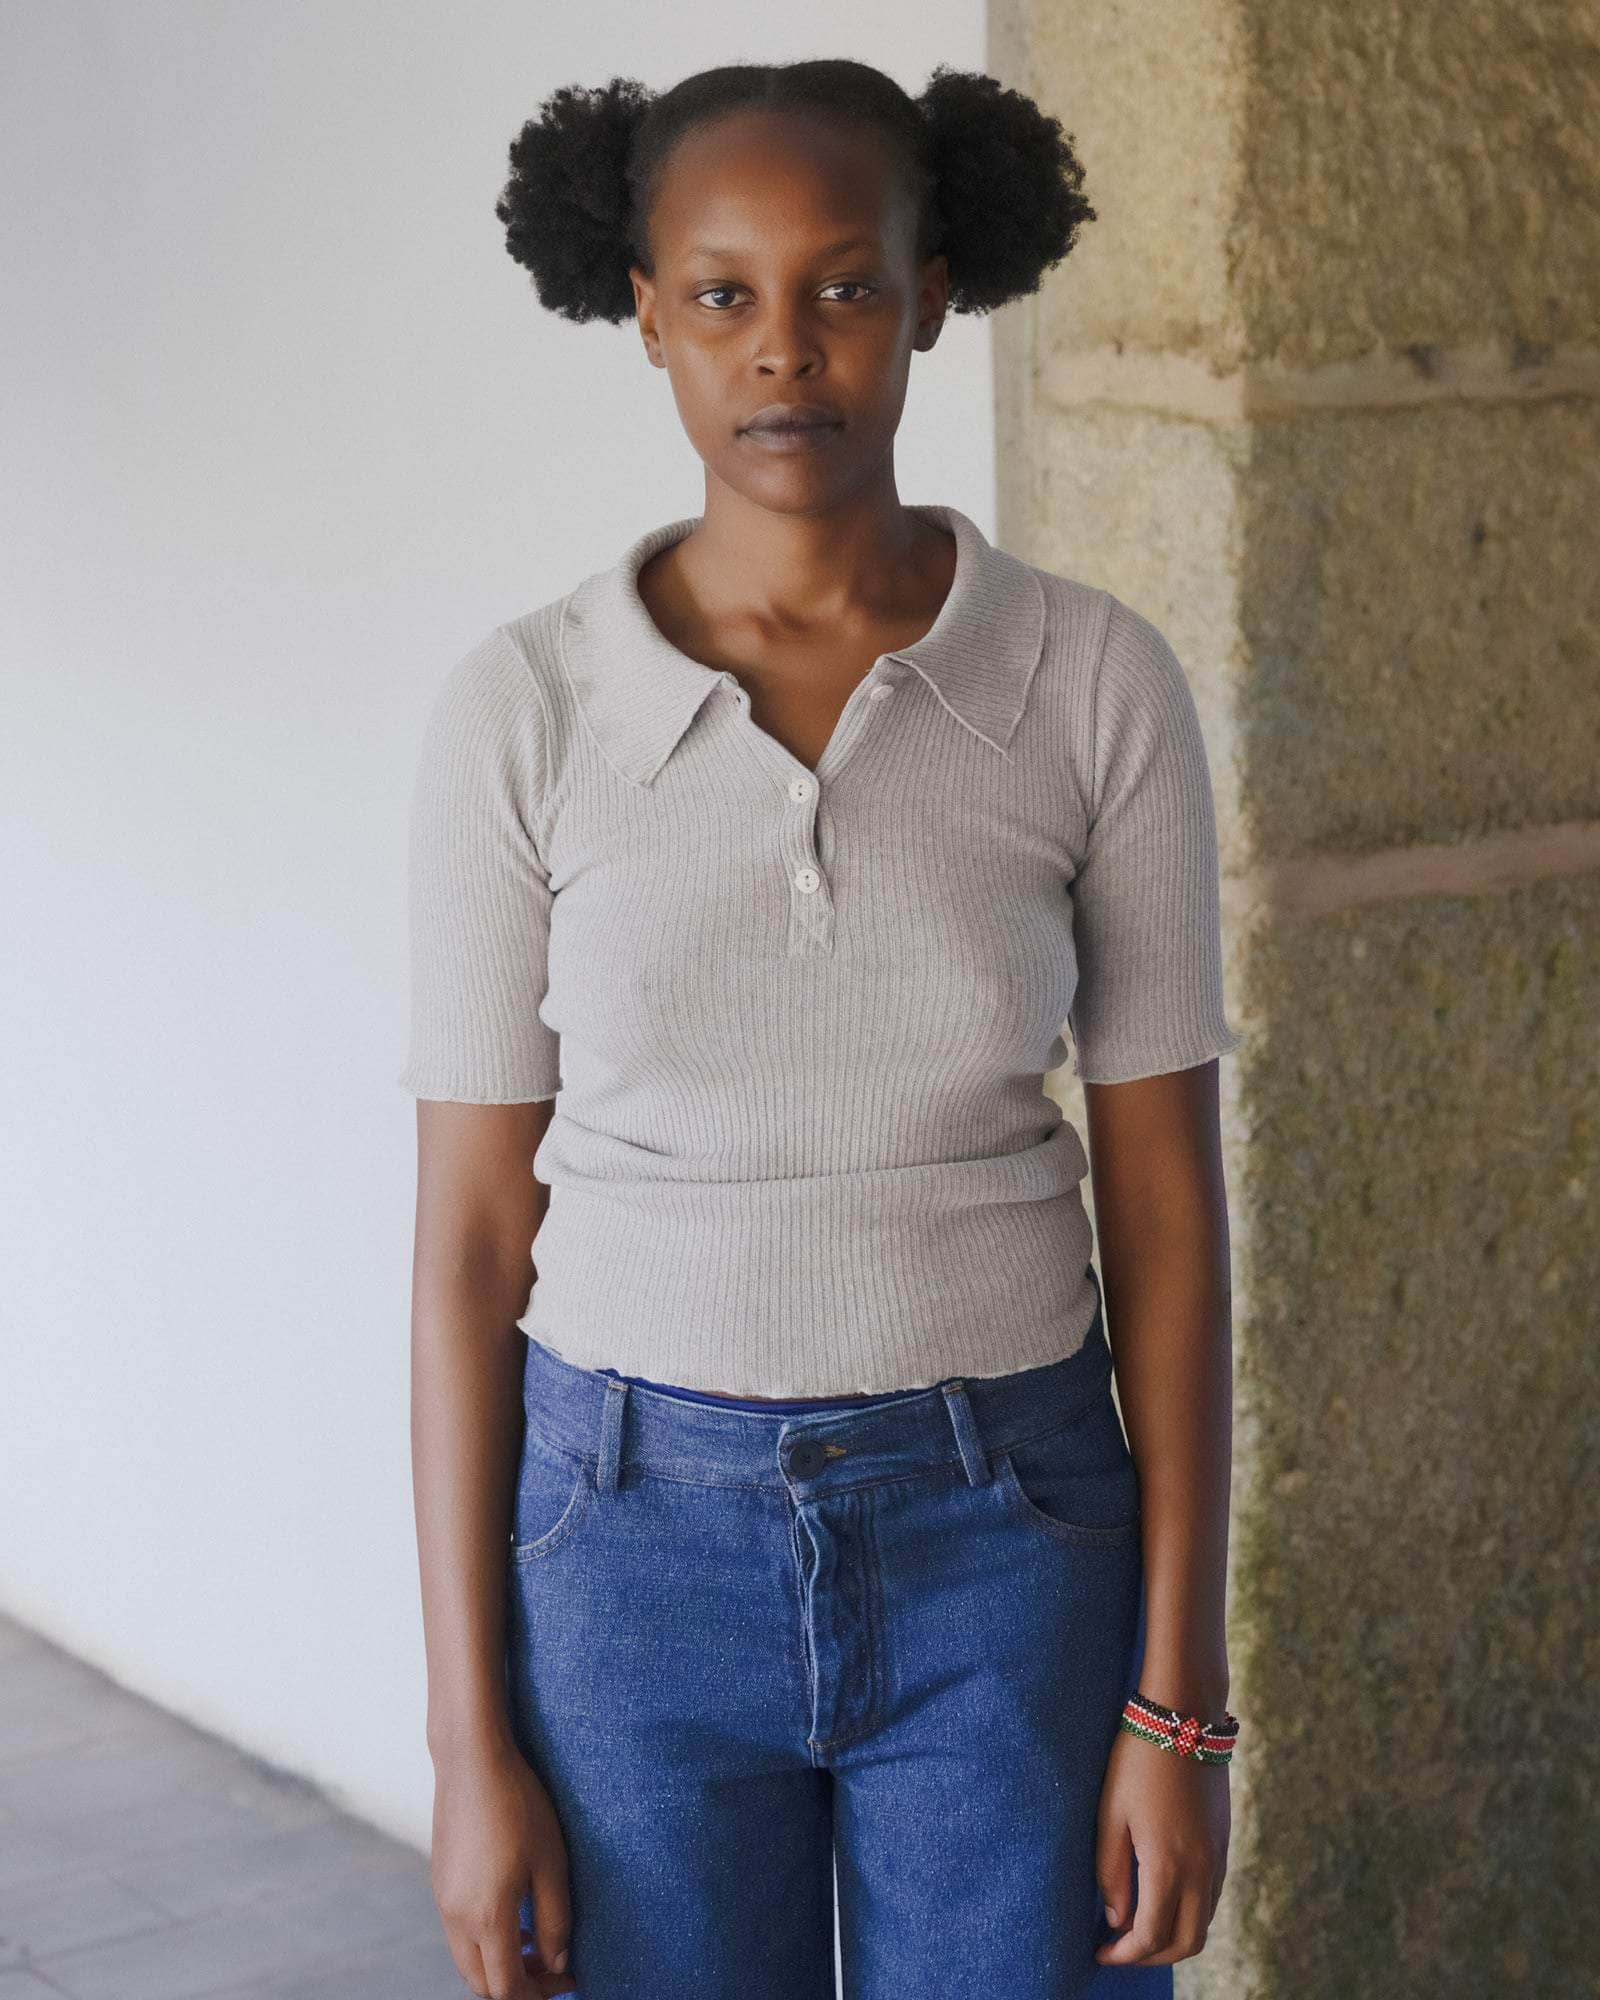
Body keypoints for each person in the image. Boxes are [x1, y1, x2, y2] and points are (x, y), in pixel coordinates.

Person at [400, 55, 1244, 2000]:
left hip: (1010, 1539)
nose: (783, 349)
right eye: (721, 293)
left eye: (844, 285)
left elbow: (1165, 1218)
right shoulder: (522, 713)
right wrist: (464, 1739)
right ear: (642, 313)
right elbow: (465, 1245)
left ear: (935, 294)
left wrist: (1177, 1700)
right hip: (626, 1554)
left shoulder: (1091, 685)